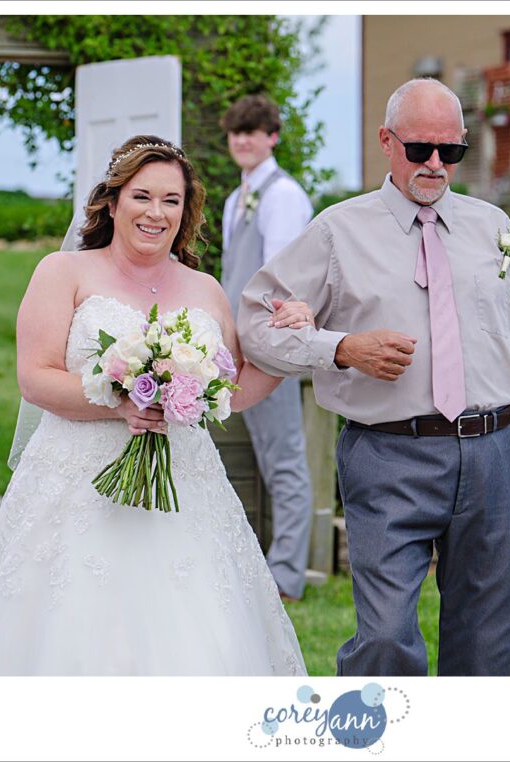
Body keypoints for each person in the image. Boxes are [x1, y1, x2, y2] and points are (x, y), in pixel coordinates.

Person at [237, 79, 510, 677]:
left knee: (488, 646)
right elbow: (256, 320)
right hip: (388, 455)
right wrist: (342, 348)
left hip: (495, 456)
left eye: (450, 151)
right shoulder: (337, 232)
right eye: (419, 149)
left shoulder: (494, 231)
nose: (435, 164)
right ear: (386, 141)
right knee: (384, 638)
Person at [0, 135, 314, 676]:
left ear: (186, 211)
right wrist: (118, 404)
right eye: (142, 196)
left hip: (183, 488)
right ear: (112, 203)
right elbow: (35, 377)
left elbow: (227, 392)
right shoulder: (62, 273)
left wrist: (282, 347)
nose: (156, 213)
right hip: (75, 487)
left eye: (171, 201)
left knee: (199, 642)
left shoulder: (206, 289)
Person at [220, 94, 315, 601]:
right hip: (236, 348)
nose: (243, 140)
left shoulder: (283, 196)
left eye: (253, 131)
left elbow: (282, 276)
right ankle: (258, 564)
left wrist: (267, 348)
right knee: (257, 458)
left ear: (273, 136)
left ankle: (287, 575)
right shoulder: (238, 198)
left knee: (284, 460)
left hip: (269, 349)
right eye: (236, 132)